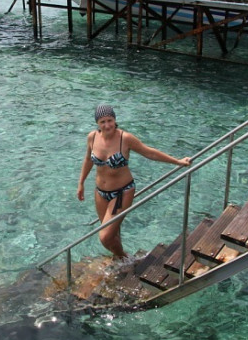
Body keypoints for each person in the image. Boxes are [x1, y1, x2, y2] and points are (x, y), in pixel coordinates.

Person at [77, 105, 191, 260]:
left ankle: (124, 258)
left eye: (110, 120)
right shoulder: (92, 137)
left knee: (105, 237)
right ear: (97, 123)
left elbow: (149, 152)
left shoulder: (125, 139)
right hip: (100, 193)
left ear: (115, 119)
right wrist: (81, 183)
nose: (107, 125)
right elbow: (88, 160)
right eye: (102, 121)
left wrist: (177, 161)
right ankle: (119, 260)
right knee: (112, 233)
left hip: (122, 192)